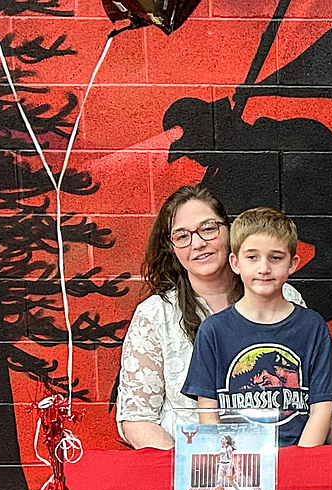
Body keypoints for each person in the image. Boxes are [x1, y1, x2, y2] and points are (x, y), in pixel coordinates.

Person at [116, 184, 307, 448]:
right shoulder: (155, 315)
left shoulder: (286, 298)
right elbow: (137, 419)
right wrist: (190, 471)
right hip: (192, 467)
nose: (198, 243)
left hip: (280, 457)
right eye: (182, 236)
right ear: (171, 247)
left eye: (208, 229)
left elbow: (311, 397)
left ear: (229, 231)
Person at [183, 208, 332, 447]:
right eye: (252, 257)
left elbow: (322, 408)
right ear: (235, 262)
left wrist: (300, 460)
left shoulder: (312, 327)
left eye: (275, 258)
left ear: (292, 264)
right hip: (240, 463)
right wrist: (227, 460)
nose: (264, 268)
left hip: (299, 456)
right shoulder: (213, 331)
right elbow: (208, 408)